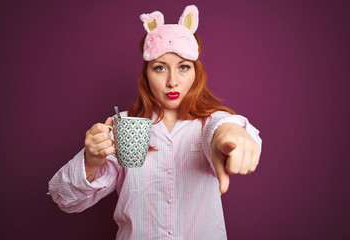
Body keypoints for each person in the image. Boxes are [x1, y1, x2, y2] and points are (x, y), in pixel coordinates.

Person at [48, 5, 262, 239]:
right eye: (160, 68)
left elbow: (221, 127)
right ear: (146, 74)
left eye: (183, 67)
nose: (172, 81)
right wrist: (91, 161)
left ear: (196, 72)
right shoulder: (125, 127)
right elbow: (65, 200)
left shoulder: (211, 122)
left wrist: (228, 131)